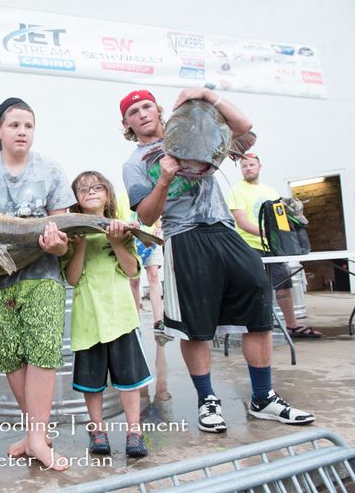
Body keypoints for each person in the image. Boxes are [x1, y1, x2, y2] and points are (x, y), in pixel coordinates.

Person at [120, 88, 315, 433]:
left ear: (160, 109)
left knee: (258, 301)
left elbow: (244, 126)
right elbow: (148, 217)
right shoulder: (136, 163)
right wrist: (164, 179)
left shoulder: (198, 130)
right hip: (183, 237)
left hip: (224, 228)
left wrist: (209, 95)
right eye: (134, 111)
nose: (142, 114)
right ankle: (207, 400)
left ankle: (263, 397)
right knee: (195, 326)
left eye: (147, 106)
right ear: (127, 123)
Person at [0, 98, 72, 470]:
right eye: (14, 125)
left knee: (42, 350)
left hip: (41, 275)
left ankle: (37, 438)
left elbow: (64, 233)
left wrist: (59, 245)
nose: (22, 131)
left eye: (28, 125)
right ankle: (35, 434)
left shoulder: (51, 170)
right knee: (10, 355)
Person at [62, 170, 151, 458]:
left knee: (129, 379)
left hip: (120, 317)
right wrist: (81, 244)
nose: (90, 192)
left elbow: (132, 270)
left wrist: (115, 240)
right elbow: (72, 279)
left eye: (97, 187)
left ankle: (134, 431)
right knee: (92, 382)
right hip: (88, 320)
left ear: (108, 195)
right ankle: (97, 430)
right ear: (75, 199)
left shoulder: (122, 230)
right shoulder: (73, 235)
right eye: (83, 189)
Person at [226, 153, 322, 338]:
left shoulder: (271, 192)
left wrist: (289, 234)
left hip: (272, 248)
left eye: (252, 165)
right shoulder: (236, 191)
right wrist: (268, 235)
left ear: (260, 166)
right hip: (250, 247)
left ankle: (292, 325)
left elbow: (281, 220)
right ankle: (255, 325)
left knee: (283, 282)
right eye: (245, 166)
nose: (248, 168)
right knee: (255, 286)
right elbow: (242, 222)